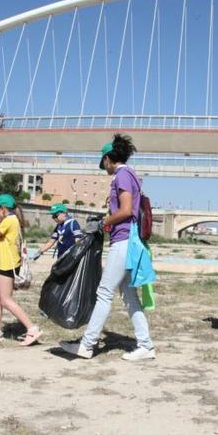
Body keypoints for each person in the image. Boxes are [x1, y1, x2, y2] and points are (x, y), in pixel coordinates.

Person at [60, 134, 155, 361]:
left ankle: (87, 344)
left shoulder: (121, 175)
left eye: (103, 163)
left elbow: (124, 211)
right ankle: (146, 346)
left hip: (123, 241)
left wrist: (103, 223)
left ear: (107, 159)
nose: (103, 168)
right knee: (130, 296)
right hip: (129, 241)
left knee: (104, 293)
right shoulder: (131, 175)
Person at [0, 193, 43, 346]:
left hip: (8, 266)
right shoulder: (12, 220)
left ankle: (32, 329)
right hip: (4, 264)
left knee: (5, 300)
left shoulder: (8, 221)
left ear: (3, 209)